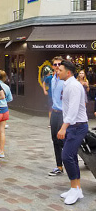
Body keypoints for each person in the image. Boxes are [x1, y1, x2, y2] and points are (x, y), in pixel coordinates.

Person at [57, 60, 88, 205]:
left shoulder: (74, 86)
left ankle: (75, 190)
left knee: (67, 156)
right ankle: (76, 188)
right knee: (72, 156)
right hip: (73, 126)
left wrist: (63, 127)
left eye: (60, 70)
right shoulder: (67, 84)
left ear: (68, 72)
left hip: (77, 126)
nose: (57, 71)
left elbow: (73, 110)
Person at [48, 56, 65, 177]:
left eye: (59, 64)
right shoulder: (53, 79)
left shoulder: (66, 80)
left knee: (65, 140)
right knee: (55, 139)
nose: (57, 66)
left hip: (64, 113)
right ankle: (59, 166)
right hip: (54, 112)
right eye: (55, 64)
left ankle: (76, 160)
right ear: (52, 66)